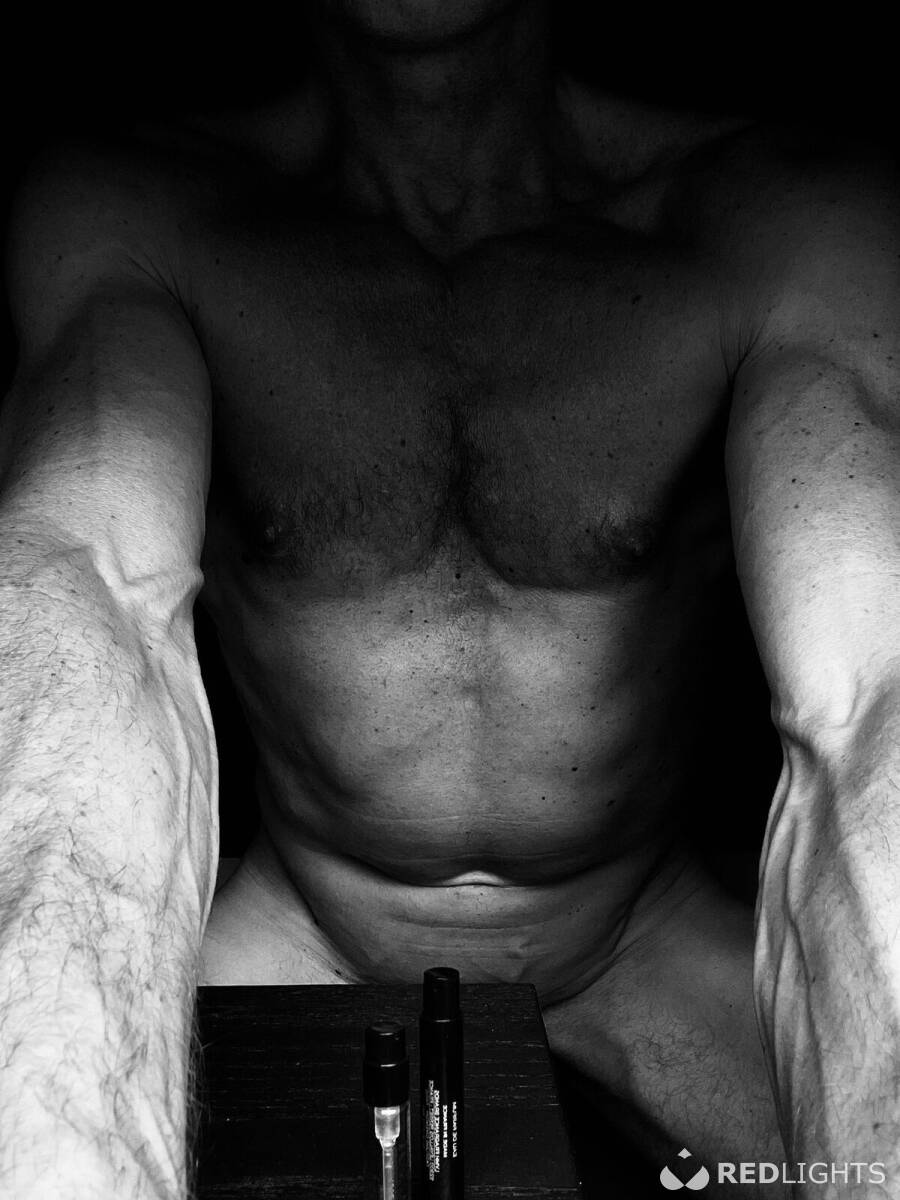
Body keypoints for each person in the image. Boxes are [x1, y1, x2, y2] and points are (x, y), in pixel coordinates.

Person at [1, 1, 898, 1196]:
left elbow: (865, 697)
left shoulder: (773, 217)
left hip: (639, 935)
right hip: (304, 923)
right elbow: (90, 590)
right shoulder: (147, 208)